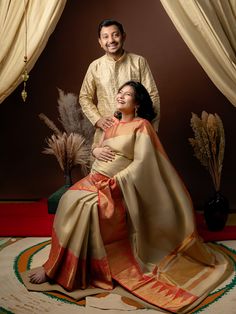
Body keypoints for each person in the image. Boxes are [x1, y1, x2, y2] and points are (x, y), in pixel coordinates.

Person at [28, 81, 232, 313]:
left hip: (119, 185)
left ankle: (76, 269)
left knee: (86, 206)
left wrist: (117, 181)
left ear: (137, 103)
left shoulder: (142, 126)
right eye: (120, 92)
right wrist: (95, 151)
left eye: (128, 94)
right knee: (68, 199)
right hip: (95, 179)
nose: (121, 96)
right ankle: (56, 265)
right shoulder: (110, 125)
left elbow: (144, 163)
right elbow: (98, 151)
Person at [79, 19, 160, 147]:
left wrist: (151, 129)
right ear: (100, 42)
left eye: (115, 35)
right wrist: (97, 120)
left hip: (135, 131)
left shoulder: (138, 62)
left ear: (124, 36)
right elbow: (84, 97)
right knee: (103, 165)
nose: (111, 40)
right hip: (105, 132)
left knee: (136, 165)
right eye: (105, 37)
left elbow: (152, 95)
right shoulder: (95, 66)